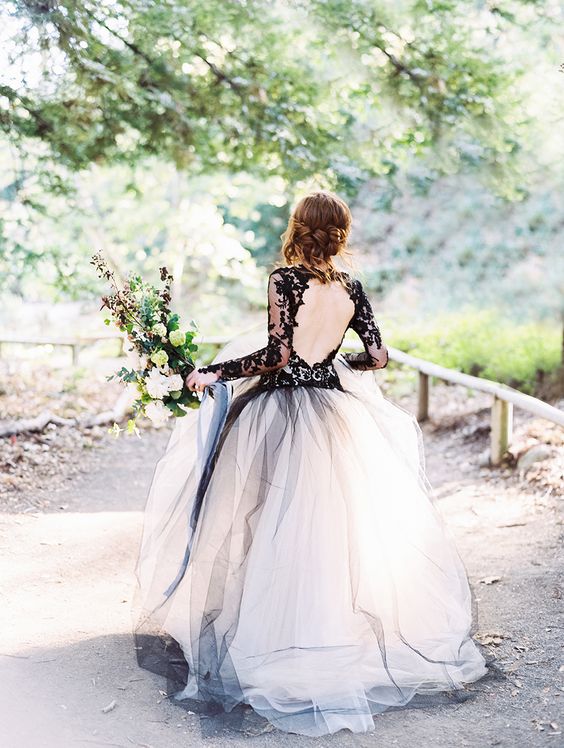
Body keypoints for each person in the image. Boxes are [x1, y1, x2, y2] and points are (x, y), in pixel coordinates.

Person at [133, 190, 488, 737]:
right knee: (327, 527)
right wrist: (332, 364)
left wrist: (216, 371)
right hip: (334, 413)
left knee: (264, 521)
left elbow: (276, 356)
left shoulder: (285, 280)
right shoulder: (351, 289)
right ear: (340, 233)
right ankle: (328, 632)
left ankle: (271, 636)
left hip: (278, 411)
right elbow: (377, 356)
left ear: (297, 228)